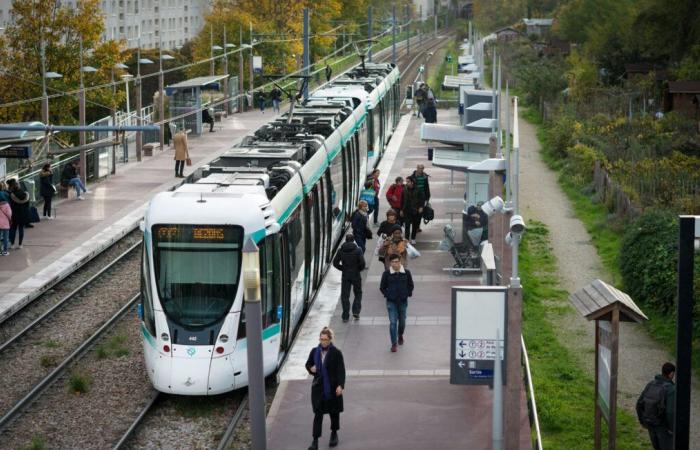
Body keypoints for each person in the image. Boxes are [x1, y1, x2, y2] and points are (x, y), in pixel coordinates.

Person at [305, 327, 346, 450]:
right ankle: (315, 440)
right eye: (321, 339)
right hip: (318, 389)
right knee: (318, 414)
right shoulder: (314, 351)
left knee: (334, 412)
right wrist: (310, 369)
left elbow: (341, 371)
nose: (322, 342)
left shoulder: (336, 353)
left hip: (332, 388)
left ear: (330, 339)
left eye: (325, 339)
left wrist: (341, 385)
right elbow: (308, 364)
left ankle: (334, 434)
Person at [637, 362, 676, 450]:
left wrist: (642, 421)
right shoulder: (670, 389)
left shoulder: (651, 384)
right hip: (663, 427)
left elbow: (639, 404)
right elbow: (670, 412)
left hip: (650, 423)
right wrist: (672, 429)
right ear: (671, 374)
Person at [379, 253, 414, 352]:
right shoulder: (386, 274)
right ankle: (394, 344)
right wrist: (388, 294)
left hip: (403, 301)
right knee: (393, 322)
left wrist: (407, 294)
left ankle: (400, 334)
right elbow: (382, 287)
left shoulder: (406, 273)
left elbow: (410, 285)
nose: (396, 264)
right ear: (390, 263)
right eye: (394, 262)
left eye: (397, 261)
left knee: (402, 322)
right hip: (391, 302)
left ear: (400, 261)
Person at [333, 234, 366, 322]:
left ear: (346, 240)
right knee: (358, 293)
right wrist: (358, 269)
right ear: (353, 240)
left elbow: (335, 263)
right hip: (356, 275)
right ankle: (356, 311)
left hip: (345, 275)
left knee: (345, 296)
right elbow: (362, 263)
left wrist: (343, 268)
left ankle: (345, 316)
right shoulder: (358, 250)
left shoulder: (341, 250)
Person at [400, 177, 426, 245]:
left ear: (412, 182)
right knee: (407, 226)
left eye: (408, 181)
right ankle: (406, 239)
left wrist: (421, 207)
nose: (407, 183)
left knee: (415, 225)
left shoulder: (418, 189)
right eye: (406, 181)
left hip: (416, 210)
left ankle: (413, 238)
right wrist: (401, 210)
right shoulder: (404, 190)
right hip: (407, 210)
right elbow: (402, 201)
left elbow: (422, 199)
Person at [7, 179, 29, 249]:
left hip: (14, 214)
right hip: (22, 213)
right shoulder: (25, 194)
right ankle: (20, 244)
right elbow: (27, 205)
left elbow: (9, 204)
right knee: (21, 229)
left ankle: (12, 244)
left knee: (13, 229)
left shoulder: (11, 194)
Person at [411, 165, 431, 233]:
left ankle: (417, 227)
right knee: (414, 213)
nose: (421, 170)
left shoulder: (425, 177)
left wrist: (428, 197)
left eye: (422, 168)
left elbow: (427, 187)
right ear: (417, 168)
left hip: (422, 197)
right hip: (415, 197)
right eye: (419, 168)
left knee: (420, 213)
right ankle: (415, 226)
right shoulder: (412, 177)